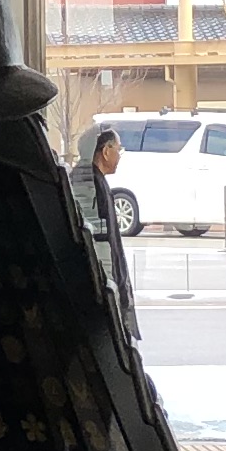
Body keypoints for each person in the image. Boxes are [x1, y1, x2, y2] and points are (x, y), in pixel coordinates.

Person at [74, 124, 139, 332]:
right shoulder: (92, 186)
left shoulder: (92, 181)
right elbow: (101, 241)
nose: (119, 155)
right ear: (105, 151)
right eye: (118, 149)